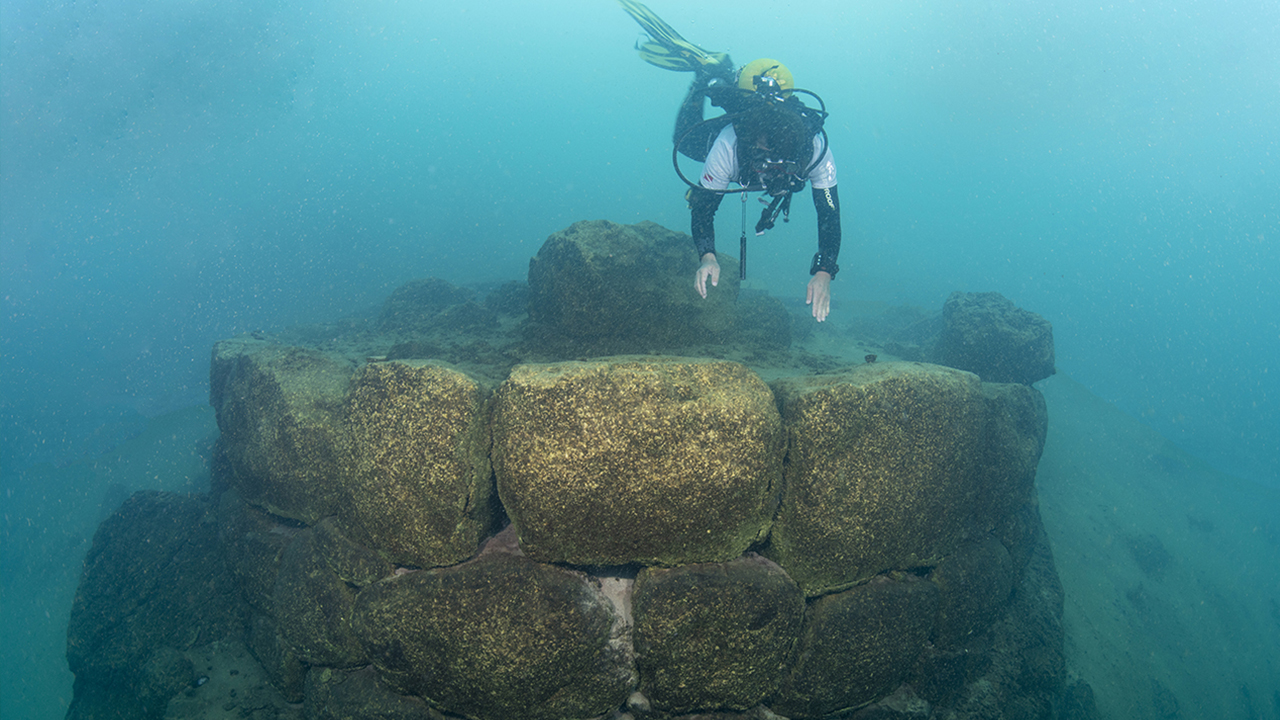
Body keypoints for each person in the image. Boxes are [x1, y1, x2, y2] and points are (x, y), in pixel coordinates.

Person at [618, 1, 842, 322]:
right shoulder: (729, 143)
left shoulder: (814, 146)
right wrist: (707, 256)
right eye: (765, 157)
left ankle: (719, 71)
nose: (770, 170)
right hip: (728, 139)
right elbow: (704, 207)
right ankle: (704, 77)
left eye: (781, 163)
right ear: (751, 140)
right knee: (684, 141)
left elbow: (830, 215)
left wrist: (824, 271)